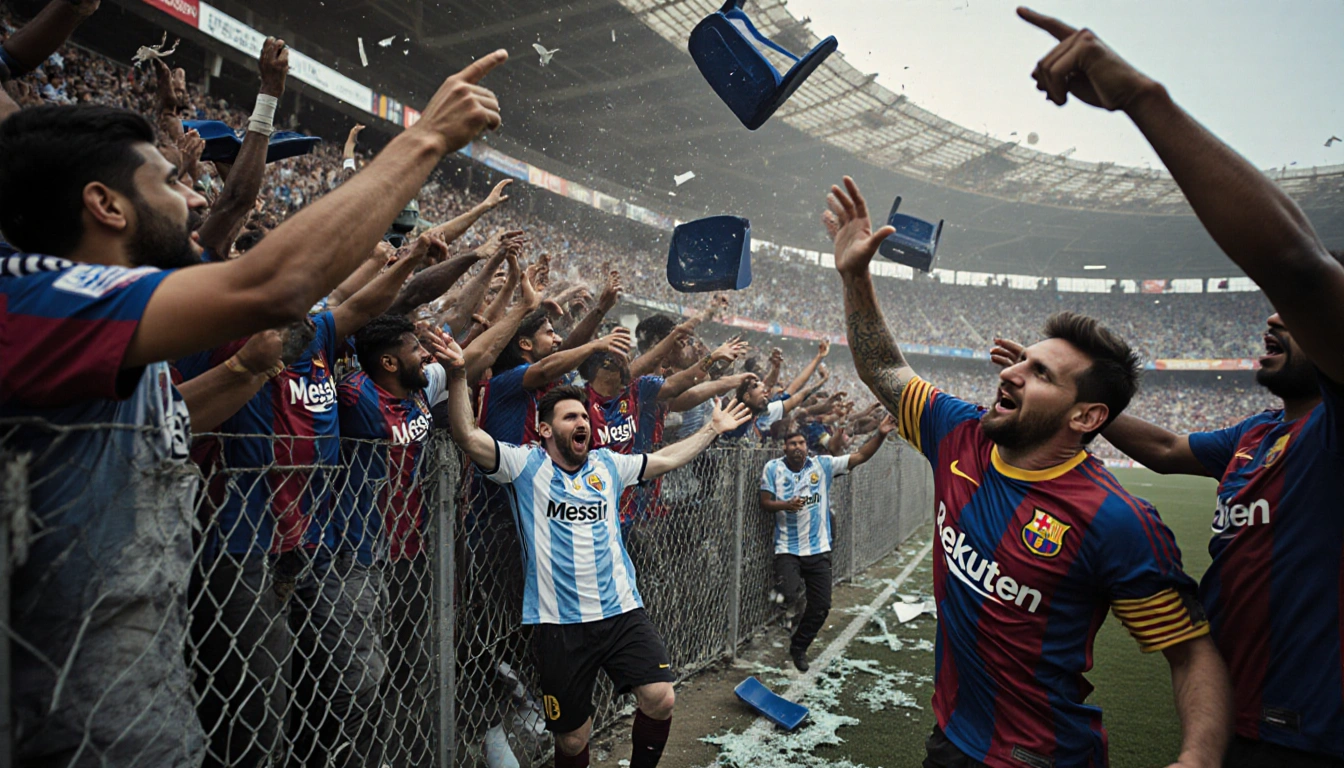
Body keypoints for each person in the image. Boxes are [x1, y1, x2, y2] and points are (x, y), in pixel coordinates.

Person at [0, 49, 506, 767]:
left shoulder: (102, 331)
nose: (193, 197)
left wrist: (242, 369)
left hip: (130, 686)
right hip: (64, 714)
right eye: (170, 181)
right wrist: (425, 139)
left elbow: (167, 419)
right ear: (106, 205)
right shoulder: (31, 300)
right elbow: (273, 283)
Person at [1017, 7, 1344, 764]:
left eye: (1296, 318)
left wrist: (1144, 98)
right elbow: (1165, 449)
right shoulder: (1261, 435)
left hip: (1313, 737)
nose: (1273, 319)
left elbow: (1297, 269)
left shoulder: (1334, 427)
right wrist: (1071, 402)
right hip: (1240, 719)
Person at [828, 174, 1231, 768]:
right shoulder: (958, 433)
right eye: (1023, 361)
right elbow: (885, 370)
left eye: (1040, 373)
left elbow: (1191, 651)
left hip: (1043, 757)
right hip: (951, 738)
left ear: (1086, 416)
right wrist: (855, 276)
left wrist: (1198, 757)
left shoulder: (1117, 521)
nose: (1009, 372)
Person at [442, 337, 752, 768]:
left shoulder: (608, 465)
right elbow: (467, 435)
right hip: (558, 624)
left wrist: (711, 429)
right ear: (546, 430)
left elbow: (664, 460)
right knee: (572, 740)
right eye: (571, 417)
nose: (583, 422)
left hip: (621, 611)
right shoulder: (524, 465)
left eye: (585, 416)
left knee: (660, 697)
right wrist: (458, 375)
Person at [760, 417, 896, 671]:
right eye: (792, 444)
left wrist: (880, 434)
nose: (798, 447)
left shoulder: (821, 465)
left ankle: (799, 647)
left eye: (801, 443)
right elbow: (765, 502)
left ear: (807, 446)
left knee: (822, 606)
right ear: (784, 448)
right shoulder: (773, 468)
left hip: (818, 548)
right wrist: (786, 505)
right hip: (787, 547)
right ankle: (793, 611)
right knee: (788, 593)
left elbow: (859, 457)